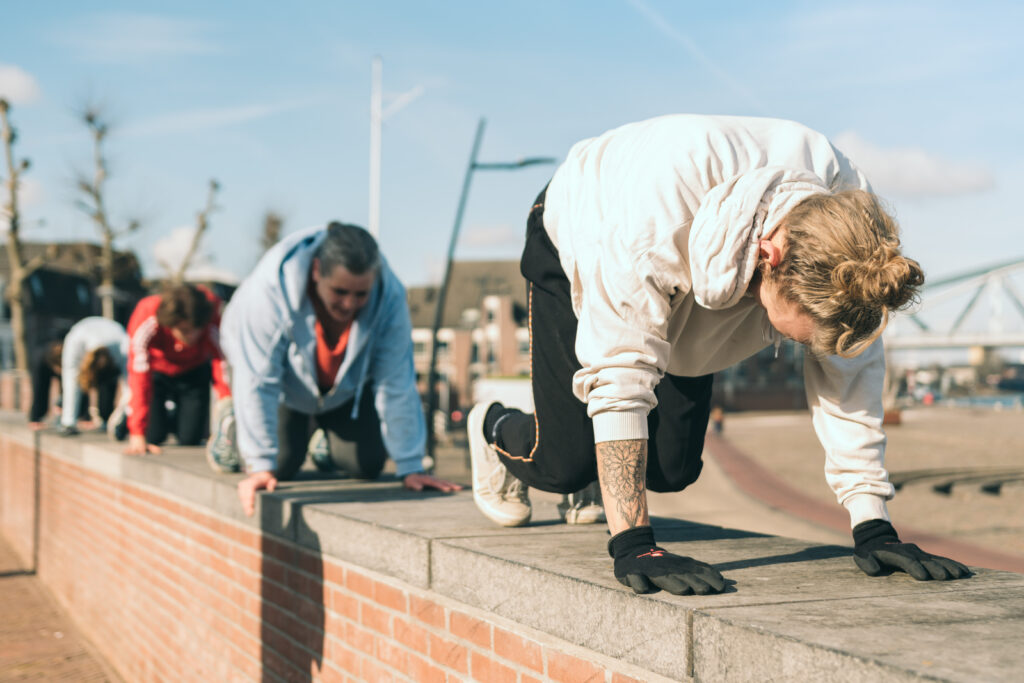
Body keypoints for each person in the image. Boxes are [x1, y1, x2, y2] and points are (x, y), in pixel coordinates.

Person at [467, 114, 971, 597]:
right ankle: (492, 429)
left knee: (671, 470)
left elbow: (850, 371)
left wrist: (873, 524)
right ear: (770, 258)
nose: (798, 350)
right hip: (578, 226)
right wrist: (634, 543)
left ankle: (595, 483)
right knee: (564, 461)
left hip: (704, 263)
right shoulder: (650, 215)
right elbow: (620, 372)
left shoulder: (847, 221)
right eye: (797, 338)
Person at [218, 221, 461, 517]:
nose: (349, 304)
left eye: (361, 295)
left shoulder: (390, 296)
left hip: (343, 393)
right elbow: (258, 381)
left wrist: (411, 465)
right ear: (317, 270)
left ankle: (322, 441)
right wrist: (259, 463)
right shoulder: (268, 294)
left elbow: (396, 380)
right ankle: (232, 426)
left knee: (368, 466)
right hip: (284, 389)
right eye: (340, 291)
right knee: (279, 468)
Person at [124, 283, 230, 455]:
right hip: (158, 373)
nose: (192, 336)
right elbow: (138, 375)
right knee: (154, 436)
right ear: (170, 325)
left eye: (197, 329)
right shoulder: (147, 315)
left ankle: (178, 416)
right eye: (184, 330)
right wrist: (137, 432)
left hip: (194, 371)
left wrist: (227, 405)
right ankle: (127, 417)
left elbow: (222, 362)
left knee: (190, 438)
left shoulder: (211, 311)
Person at [55, 316, 128, 435]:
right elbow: (70, 381)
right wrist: (68, 422)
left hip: (114, 354)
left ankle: (105, 418)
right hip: (83, 341)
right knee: (75, 383)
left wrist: (120, 417)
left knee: (109, 385)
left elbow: (130, 385)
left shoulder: (123, 345)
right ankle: (71, 416)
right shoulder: (75, 341)